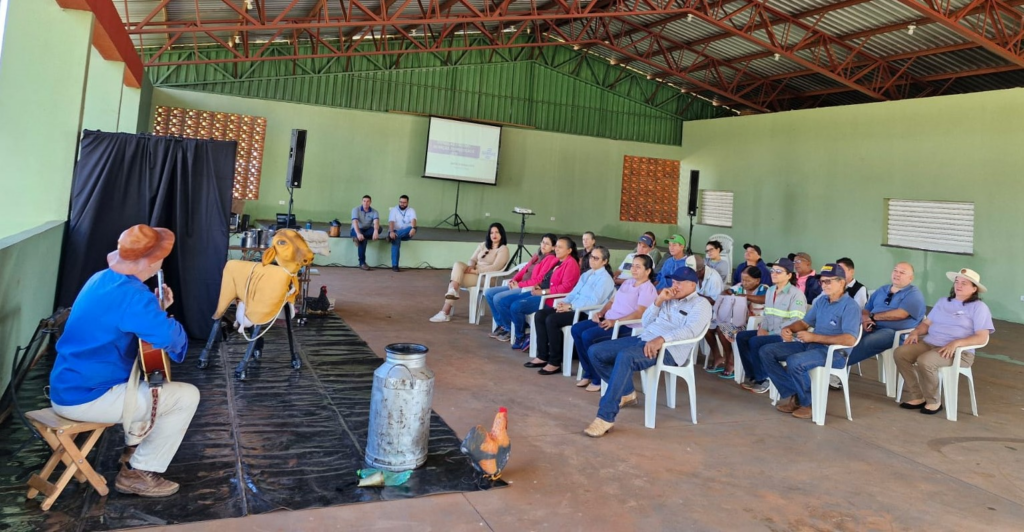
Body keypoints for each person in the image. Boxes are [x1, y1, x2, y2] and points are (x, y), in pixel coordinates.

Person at [49, 224, 197, 497]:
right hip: (87, 399)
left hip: (66, 386)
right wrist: (163, 317)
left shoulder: (100, 278)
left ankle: (132, 450)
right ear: (154, 261)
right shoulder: (135, 297)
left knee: (148, 385)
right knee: (185, 397)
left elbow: (121, 318)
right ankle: (138, 472)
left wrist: (154, 310)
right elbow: (169, 338)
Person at [582, 267, 712, 437]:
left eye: (679, 283)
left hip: (670, 350)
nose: (675, 286)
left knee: (625, 356)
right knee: (596, 351)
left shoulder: (701, 304)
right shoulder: (668, 298)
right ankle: (627, 392)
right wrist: (658, 301)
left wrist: (662, 339)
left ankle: (605, 417)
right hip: (644, 339)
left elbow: (691, 330)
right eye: (673, 282)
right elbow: (646, 321)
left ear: (692, 285)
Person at [759, 263, 861, 420]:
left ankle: (809, 403)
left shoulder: (850, 306)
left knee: (795, 361)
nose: (824, 285)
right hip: (811, 346)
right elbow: (805, 323)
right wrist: (789, 329)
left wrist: (815, 337)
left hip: (834, 353)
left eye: (829, 281)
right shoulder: (822, 301)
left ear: (841, 282)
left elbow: (849, 339)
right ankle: (796, 394)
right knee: (767, 351)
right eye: (822, 281)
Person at [895, 268, 994, 415]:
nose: (958, 285)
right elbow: (927, 324)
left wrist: (956, 343)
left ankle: (933, 401)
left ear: (974, 289)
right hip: (930, 344)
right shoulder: (943, 302)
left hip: (959, 352)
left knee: (926, 361)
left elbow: (982, 336)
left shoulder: (979, 307)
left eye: (964, 283)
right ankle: (918, 396)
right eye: (957, 282)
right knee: (900, 353)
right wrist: (916, 332)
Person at [571, 254, 658, 391]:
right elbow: (612, 301)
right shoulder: (628, 282)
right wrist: (601, 313)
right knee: (576, 329)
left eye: (638, 267)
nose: (634, 269)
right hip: (610, 319)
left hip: (626, 325)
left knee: (588, 336)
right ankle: (588, 372)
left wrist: (615, 321)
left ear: (647, 271)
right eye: (632, 266)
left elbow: (640, 313)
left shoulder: (648, 289)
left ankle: (598, 378)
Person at [527, 246, 615, 375]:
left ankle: (555, 362)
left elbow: (594, 302)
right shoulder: (586, 274)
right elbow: (574, 293)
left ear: (605, 261)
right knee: (540, 315)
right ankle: (542, 355)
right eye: (591, 257)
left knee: (552, 320)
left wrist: (570, 307)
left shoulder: (605, 279)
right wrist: (564, 303)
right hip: (572, 308)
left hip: (585, 312)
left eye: (596, 258)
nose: (592, 260)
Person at [841, 262, 926, 384]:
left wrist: (873, 317)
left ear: (910, 278)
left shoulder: (913, 294)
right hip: (872, 325)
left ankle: (836, 365)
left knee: (869, 341)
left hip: (895, 333)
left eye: (902, 272)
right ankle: (831, 362)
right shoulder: (883, 289)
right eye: (895, 271)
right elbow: (866, 309)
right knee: (849, 333)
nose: (897, 274)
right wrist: (865, 319)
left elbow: (900, 314)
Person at [736, 258, 806, 394]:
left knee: (755, 341)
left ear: (789, 275)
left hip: (787, 336)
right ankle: (753, 375)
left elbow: (796, 321)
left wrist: (771, 333)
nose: (774, 274)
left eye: (779, 271)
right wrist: (763, 328)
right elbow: (767, 314)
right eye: (773, 270)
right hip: (770, 332)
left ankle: (764, 378)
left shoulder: (796, 294)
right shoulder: (771, 291)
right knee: (742, 337)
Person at [507, 237, 582, 351]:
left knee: (516, 306)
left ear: (569, 250)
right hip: (542, 292)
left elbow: (565, 288)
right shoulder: (559, 261)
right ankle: (522, 332)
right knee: (510, 302)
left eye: (560, 247)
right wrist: (539, 285)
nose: (556, 249)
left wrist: (542, 291)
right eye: (556, 246)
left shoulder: (571, 264)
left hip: (550, 299)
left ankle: (521, 336)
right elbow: (547, 278)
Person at [430, 223, 510, 322]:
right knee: (457, 265)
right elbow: (472, 259)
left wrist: (476, 271)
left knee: (456, 279)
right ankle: (451, 294)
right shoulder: (483, 245)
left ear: (502, 234)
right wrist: (471, 265)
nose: (494, 235)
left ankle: (445, 311)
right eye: (491, 233)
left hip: (486, 278)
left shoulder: (503, 249)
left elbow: (495, 267)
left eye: (497, 232)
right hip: (474, 272)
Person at [487, 234, 558, 341]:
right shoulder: (537, 256)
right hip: (519, 284)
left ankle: (509, 328)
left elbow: (539, 279)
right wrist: (513, 280)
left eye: (547, 244)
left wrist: (519, 285)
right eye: (542, 242)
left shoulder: (550, 259)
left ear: (553, 247)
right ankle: (502, 324)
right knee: (489, 293)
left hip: (527, 287)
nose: (543, 245)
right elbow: (524, 269)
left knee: (498, 298)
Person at [706, 266, 767, 378]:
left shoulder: (764, 289)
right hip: (738, 321)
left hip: (755, 325)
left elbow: (765, 298)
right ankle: (724, 357)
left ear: (757, 280)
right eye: (743, 279)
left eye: (748, 280)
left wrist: (746, 297)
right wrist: (729, 295)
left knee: (722, 329)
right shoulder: (739, 287)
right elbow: (725, 292)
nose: (744, 283)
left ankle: (731, 361)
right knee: (714, 328)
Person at [386, 195, 417, 272]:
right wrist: (391, 231)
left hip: (407, 233)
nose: (402, 204)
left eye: (404, 202)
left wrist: (413, 228)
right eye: (401, 202)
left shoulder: (411, 210)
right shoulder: (394, 210)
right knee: (396, 239)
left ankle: (391, 237)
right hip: (395, 231)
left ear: (407, 202)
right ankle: (395, 266)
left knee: (413, 228)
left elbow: (413, 220)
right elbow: (391, 222)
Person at [350, 195, 381, 271]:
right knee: (363, 239)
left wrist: (376, 231)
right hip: (356, 229)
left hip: (367, 230)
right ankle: (362, 263)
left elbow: (376, 222)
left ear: (370, 202)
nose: (366, 203)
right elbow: (355, 222)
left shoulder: (374, 211)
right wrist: (358, 233)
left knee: (379, 229)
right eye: (364, 201)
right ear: (362, 202)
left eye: (368, 201)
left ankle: (358, 238)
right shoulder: (355, 210)